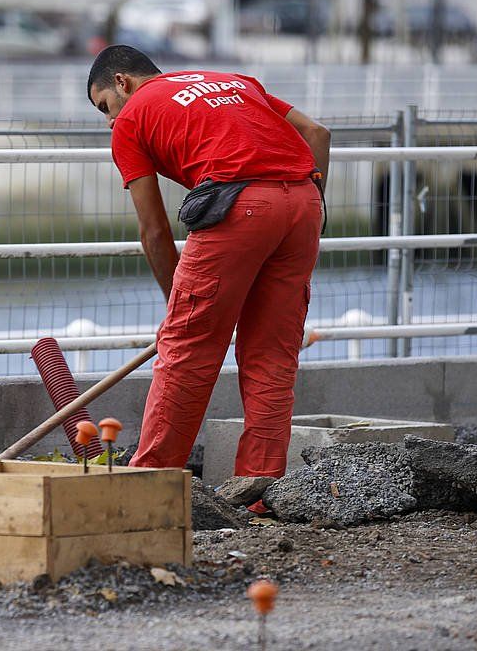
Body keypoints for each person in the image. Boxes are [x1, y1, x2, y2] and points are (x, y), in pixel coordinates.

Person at [85, 45, 331, 498]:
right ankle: (258, 490)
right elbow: (316, 133)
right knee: (272, 356)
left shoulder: (134, 115)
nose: (109, 121)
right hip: (303, 203)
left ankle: (150, 487)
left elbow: (155, 231)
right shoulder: (235, 80)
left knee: (187, 351)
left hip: (238, 209)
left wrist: (175, 309)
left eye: (105, 106)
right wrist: (310, 201)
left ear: (122, 82)